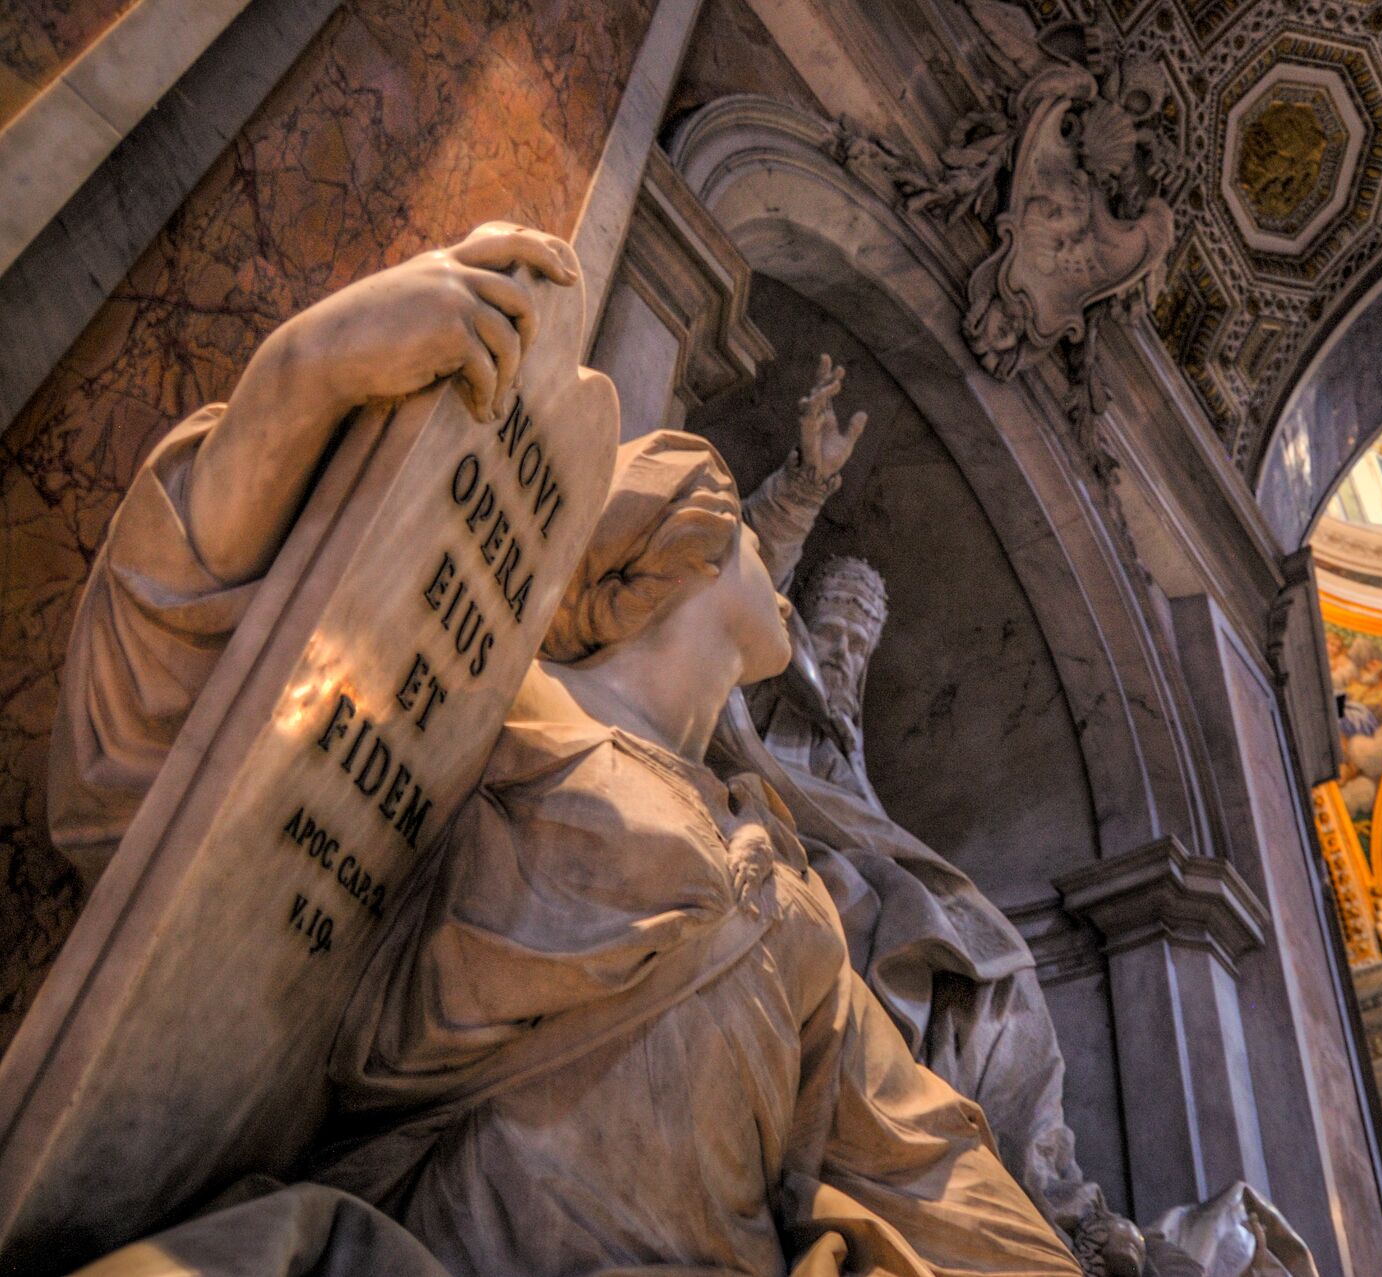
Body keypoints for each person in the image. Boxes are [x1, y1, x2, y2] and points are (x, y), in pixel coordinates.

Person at [52, 226, 1082, 1277]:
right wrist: (304, 374)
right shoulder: (506, 713)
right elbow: (179, 747)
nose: (774, 567)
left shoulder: (791, 886)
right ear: (676, 556)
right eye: (744, 541)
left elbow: (928, 1162)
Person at [718, 358, 1317, 1277]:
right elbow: (739, 570)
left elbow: (879, 833)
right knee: (903, 922)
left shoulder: (847, 749)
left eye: (857, 645)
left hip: (850, 857)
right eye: (829, 633)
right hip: (772, 825)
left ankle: (1051, 1192)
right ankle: (1033, 1195)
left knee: (997, 964)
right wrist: (806, 482)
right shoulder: (766, 685)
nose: (840, 656)